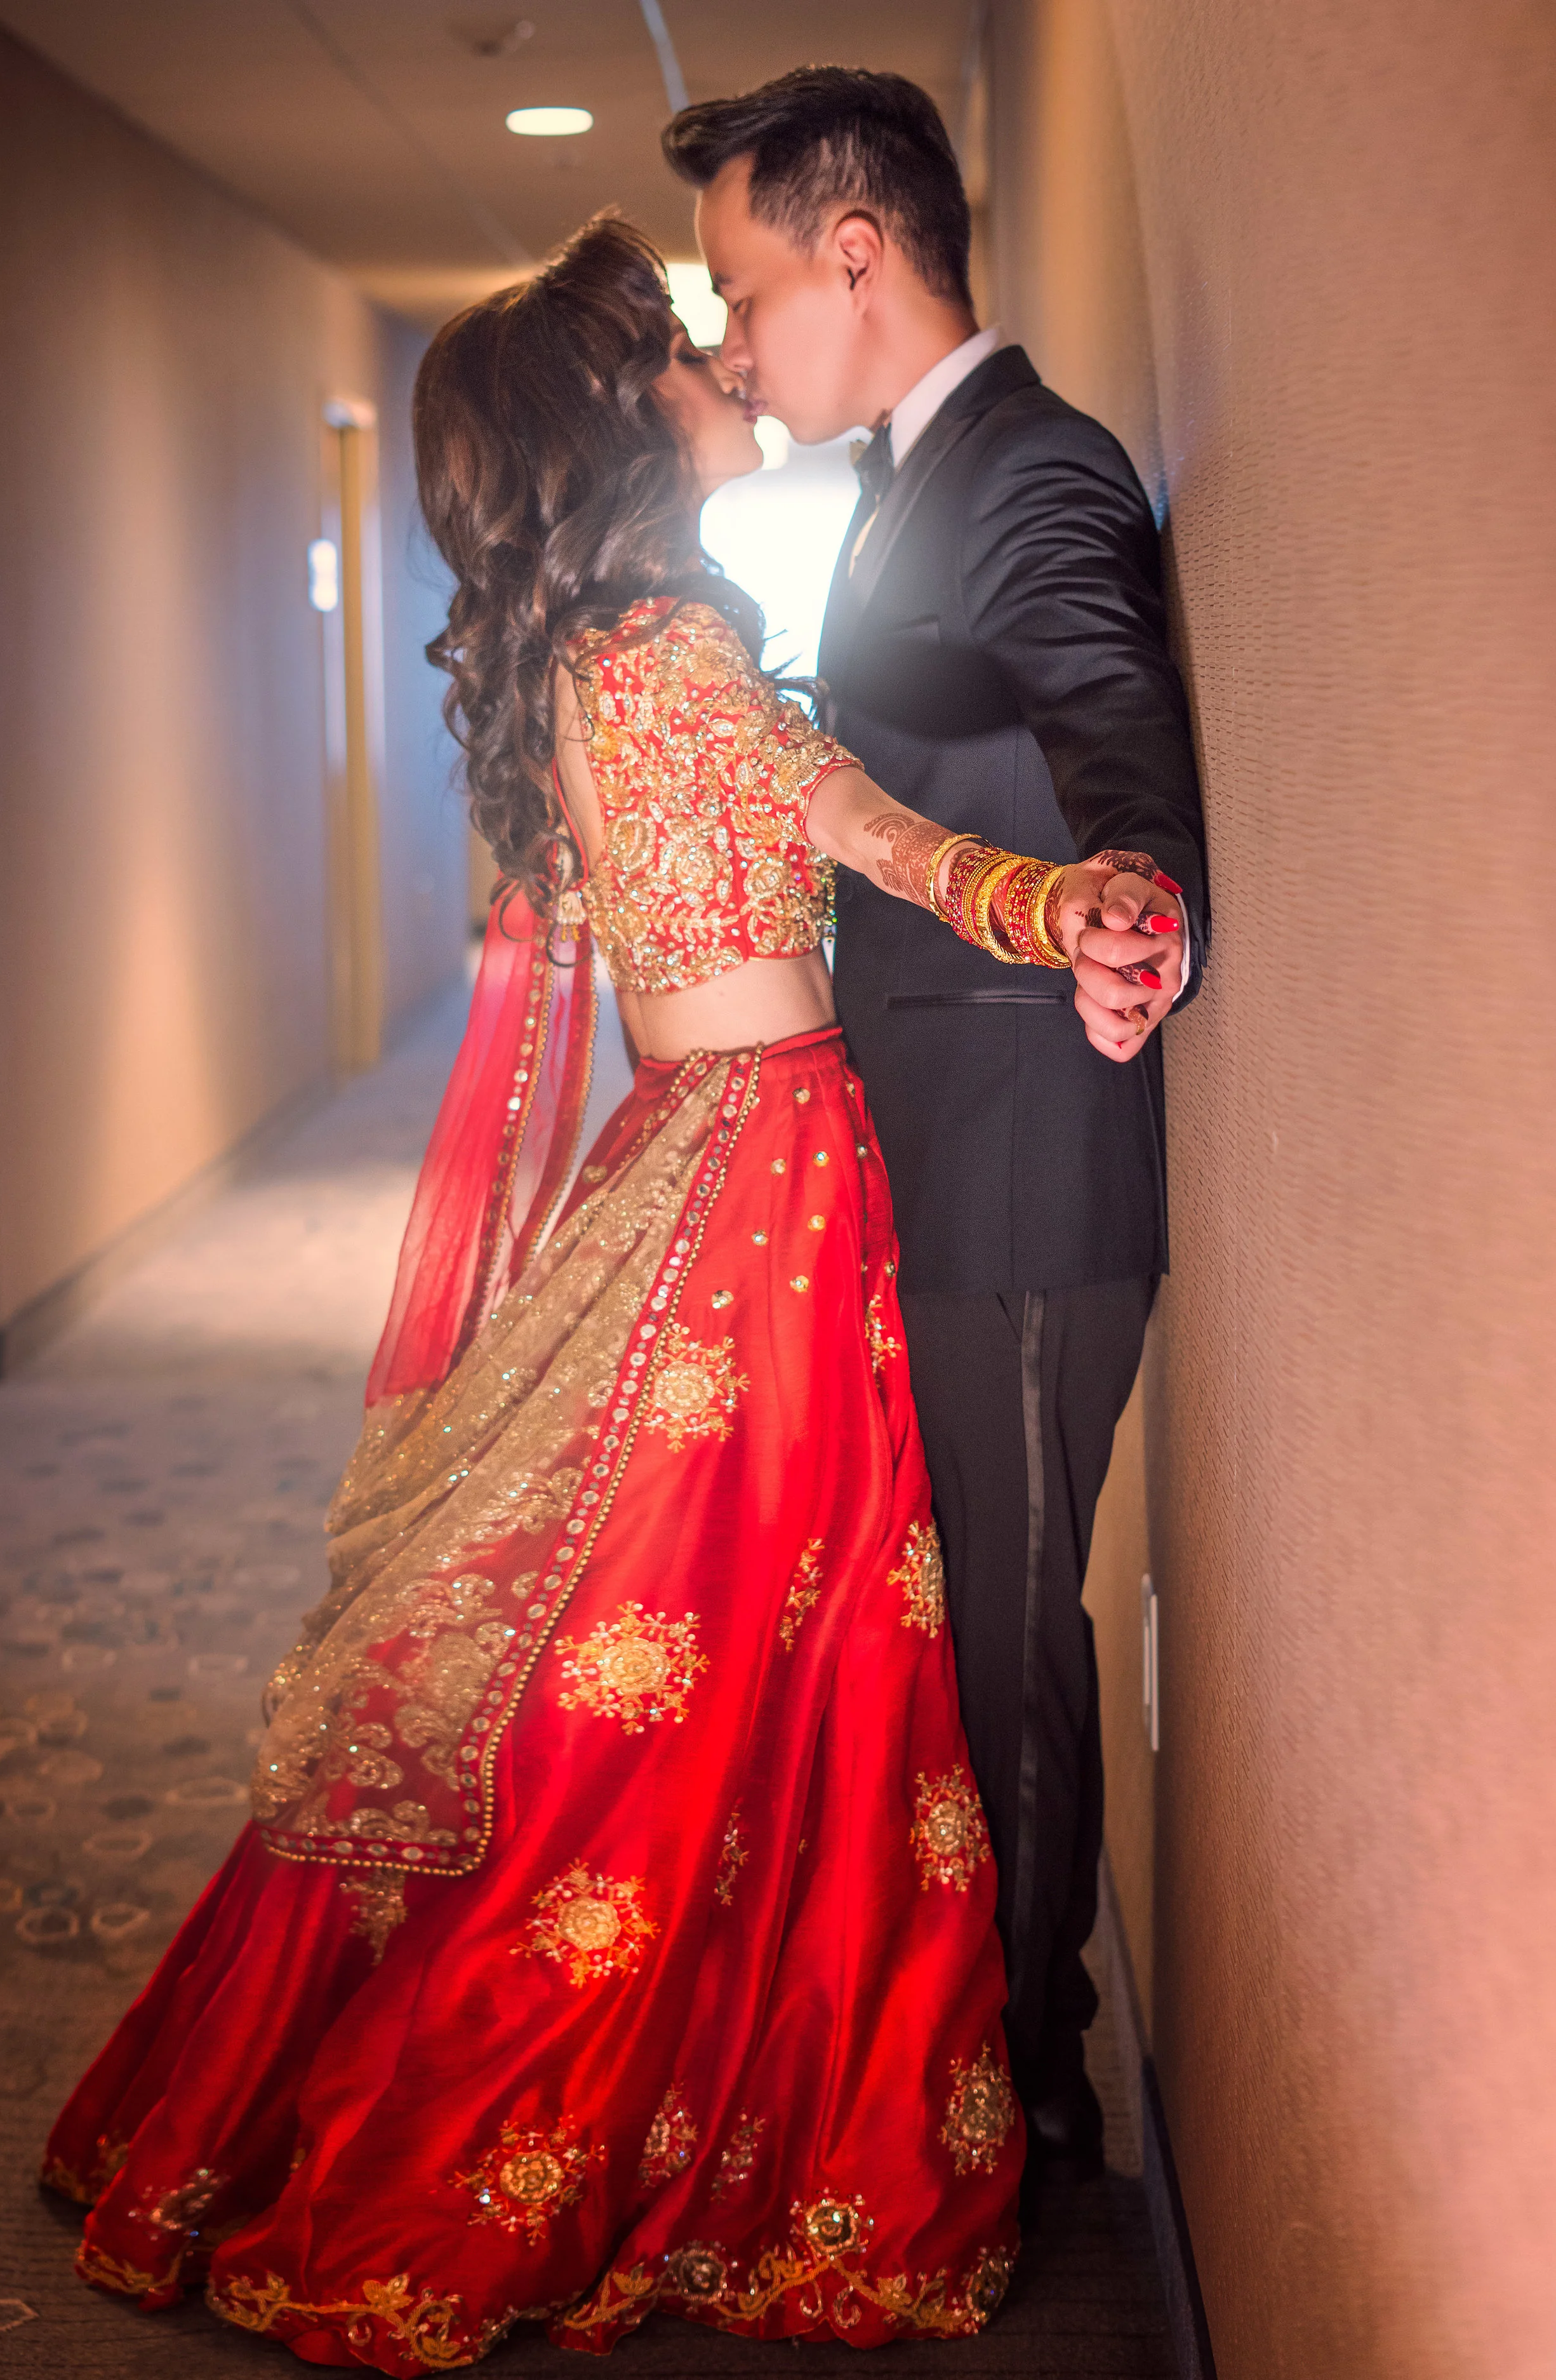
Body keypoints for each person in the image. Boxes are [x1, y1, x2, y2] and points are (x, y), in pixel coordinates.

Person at [41, 216, 1172, 2369]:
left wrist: (1034, 888)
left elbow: (818, 837)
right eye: (678, 349)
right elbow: (881, 843)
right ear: (615, 428)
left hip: (690, 1154)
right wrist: (1081, 898)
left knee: (656, 1619)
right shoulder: (675, 652)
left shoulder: (587, 656)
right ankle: (680, 2103)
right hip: (771, 1171)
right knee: (758, 1636)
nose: (716, 360)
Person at [664, 69, 1209, 2181]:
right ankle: (967, 2035)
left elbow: (1109, 732)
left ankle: (1032, 2077)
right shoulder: (907, 470)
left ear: (858, 253)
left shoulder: (1033, 468)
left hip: (1021, 1149)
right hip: (932, 1135)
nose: (732, 340)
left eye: (745, 288)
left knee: (1005, 1620)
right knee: (953, 1606)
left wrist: (1133, 911)